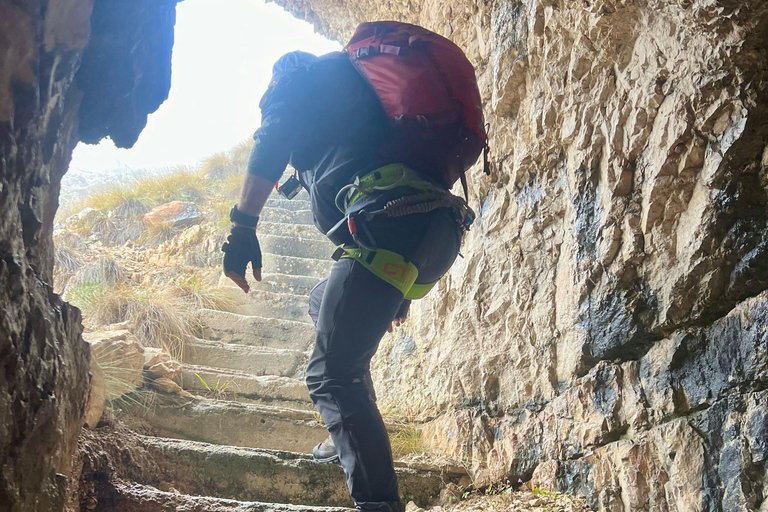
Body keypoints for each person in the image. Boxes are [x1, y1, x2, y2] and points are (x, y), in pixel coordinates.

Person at [222, 23, 484, 512]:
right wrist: (398, 294)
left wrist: (242, 228)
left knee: (330, 375)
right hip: (431, 233)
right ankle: (348, 440)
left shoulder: (296, 79)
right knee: (321, 300)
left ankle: (378, 507)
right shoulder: (366, 100)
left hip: (389, 225)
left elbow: (272, 138)